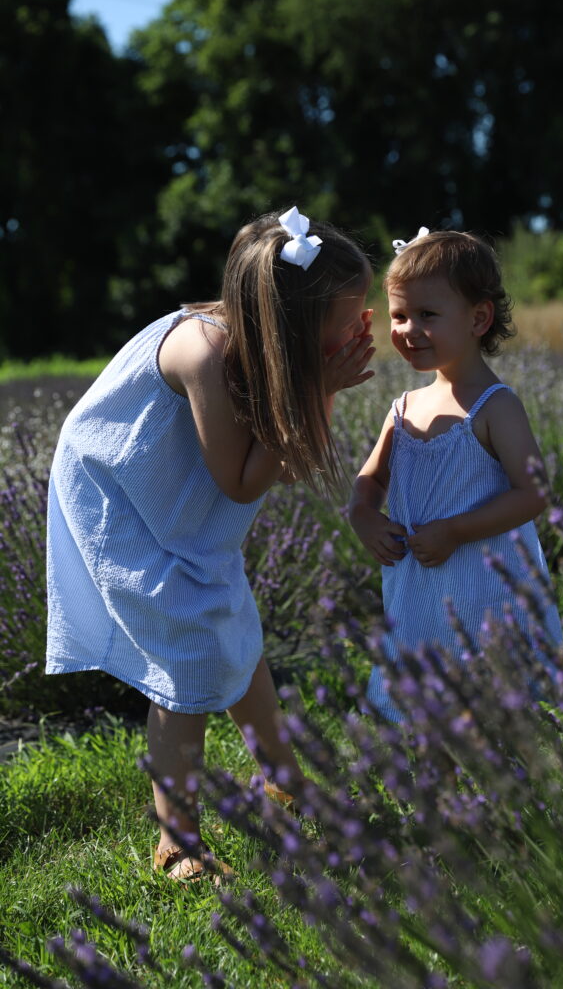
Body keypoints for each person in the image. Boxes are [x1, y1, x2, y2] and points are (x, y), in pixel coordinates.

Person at [46, 206, 374, 881]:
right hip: (120, 492)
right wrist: (322, 386)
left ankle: (280, 779)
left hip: (174, 485)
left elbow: (291, 460)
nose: (357, 328)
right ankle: (177, 838)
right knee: (188, 649)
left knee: (228, 615)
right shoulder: (205, 351)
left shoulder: (264, 350)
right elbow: (240, 480)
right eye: (346, 317)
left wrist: (321, 385)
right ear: (289, 323)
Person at [349, 227, 562, 723]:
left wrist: (456, 530)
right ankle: (441, 794)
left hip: (484, 592)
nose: (406, 329)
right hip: (419, 596)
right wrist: (363, 515)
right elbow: (370, 480)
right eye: (399, 315)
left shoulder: (495, 406)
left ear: (478, 318)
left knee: (496, 713)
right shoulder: (404, 407)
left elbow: (534, 493)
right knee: (430, 714)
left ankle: (509, 794)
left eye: (427, 315)